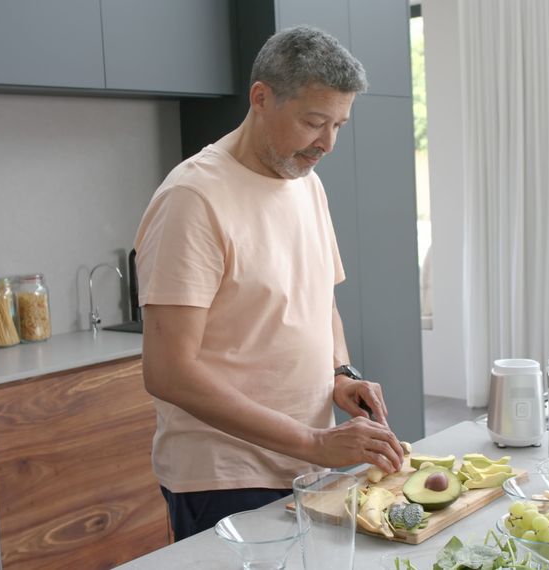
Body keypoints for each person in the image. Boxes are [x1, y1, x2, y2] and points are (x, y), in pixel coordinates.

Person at [134, 25, 404, 540]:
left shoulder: (307, 184)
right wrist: (314, 441)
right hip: (225, 477)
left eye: (340, 125)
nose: (327, 143)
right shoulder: (194, 198)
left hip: (306, 465)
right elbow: (168, 372)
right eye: (313, 122)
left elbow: (320, 300)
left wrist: (340, 374)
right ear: (261, 98)